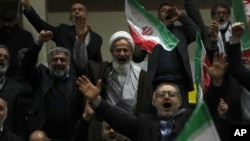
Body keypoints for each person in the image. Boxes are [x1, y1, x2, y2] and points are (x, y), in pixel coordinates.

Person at [76, 75, 193, 141]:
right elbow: (117, 117)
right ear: (154, 101)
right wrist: (97, 101)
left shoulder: (192, 123)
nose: (166, 97)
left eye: (171, 94)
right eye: (161, 95)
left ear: (180, 101)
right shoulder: (143, 124)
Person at [133, 2, 200, 108]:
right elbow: (137, 58)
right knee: (157, 115)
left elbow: (197, 33)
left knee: (183, 116)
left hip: (180, 82)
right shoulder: (151, 33)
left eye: (170, 11)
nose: (167, 13)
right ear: (159, 16)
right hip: (156, 83)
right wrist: (137, 49)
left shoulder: (181, 32)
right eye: (163, 11)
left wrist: (180, 16)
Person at [21, 30, 84, 141]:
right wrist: (38, 43)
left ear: (68, 64)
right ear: (49, 63)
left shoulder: (76, 82)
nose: (59, 63)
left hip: (68, 136)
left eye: (62, 60)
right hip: (43, 136)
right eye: (55, 60)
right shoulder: (41, 75)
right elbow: (26, 65)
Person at [75, 30, 153, 115]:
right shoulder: (102, 70)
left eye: (125, 50)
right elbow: (81, 64)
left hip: (132, 124)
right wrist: (80, 40)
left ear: (131, 52)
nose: (122, 54)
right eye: (118, 50)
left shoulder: (142, 76)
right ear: (111, 52)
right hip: (107, 124)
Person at [19, 0, 102, 62]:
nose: (76, 12)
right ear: (70, 17)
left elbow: (98, 63)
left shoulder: (97, 38)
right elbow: (41, 25)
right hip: (67, 76)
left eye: (80, 9)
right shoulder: (62, 31)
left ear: (86, 15)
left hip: (88, 80)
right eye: (73, 10)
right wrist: (27, 6)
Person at [0, 45, 29, 139]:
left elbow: (20, 126)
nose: (2, 59)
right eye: (0, 56)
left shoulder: (17, 89)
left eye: (6, 58)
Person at [0, 7, 34, 80]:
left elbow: (31, 59)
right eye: (4, 21)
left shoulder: (26, 36)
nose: (6, 24)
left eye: (10, 21)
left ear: (16, 20)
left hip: (20, 77)